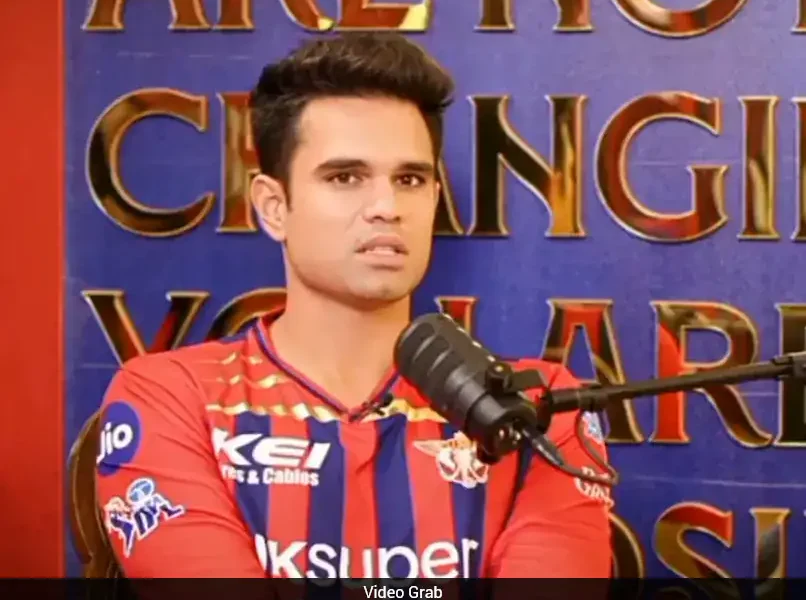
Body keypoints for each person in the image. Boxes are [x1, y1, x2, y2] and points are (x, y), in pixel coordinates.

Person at [94, 32, 613, 579]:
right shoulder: (170, 396)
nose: (387, 206)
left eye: (410, 179)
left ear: (434, 199)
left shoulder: (540, 407)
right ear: (273, 206)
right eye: (345, 177)